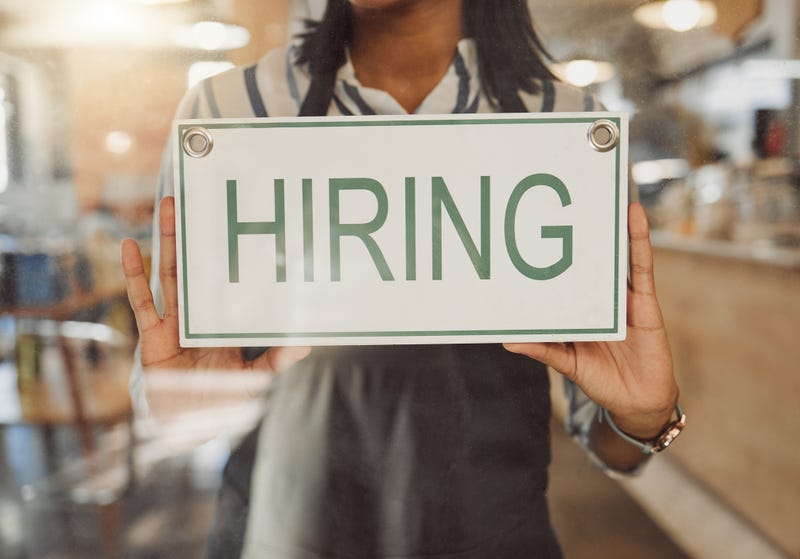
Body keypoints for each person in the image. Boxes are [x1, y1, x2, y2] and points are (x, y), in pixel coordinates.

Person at [121, 1, 680, 557]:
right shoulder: (227, 113)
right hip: (286, 531)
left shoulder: (569, 126)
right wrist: (181, 407)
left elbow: (613, 443)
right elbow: (186, 394)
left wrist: (647, 418)